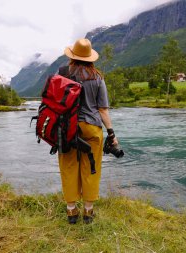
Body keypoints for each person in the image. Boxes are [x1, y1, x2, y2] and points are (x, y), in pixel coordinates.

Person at [58, 38, 118, 224]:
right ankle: (88, 211)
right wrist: (111, 134)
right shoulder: (97, 78)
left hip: (67, 128)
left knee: (68, 167)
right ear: (90, 57)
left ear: (73, 56)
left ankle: (71, 210)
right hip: (92, 127)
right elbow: (103, 110)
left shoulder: (62, 73)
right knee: (91, 167)